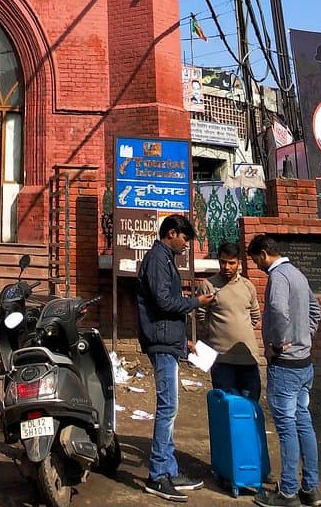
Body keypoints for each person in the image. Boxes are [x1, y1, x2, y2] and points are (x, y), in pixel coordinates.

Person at [136, 214, 216, 503]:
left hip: (168, 341)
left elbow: (163, 309)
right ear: (172, 233)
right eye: (184, 239)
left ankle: (169, 469)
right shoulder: (158, 258)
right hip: (160, 344)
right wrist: (196, 302)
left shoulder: (166, 259)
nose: (186, 245)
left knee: (171, 408)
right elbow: (164, 302)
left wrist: (184, 341)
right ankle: (157, 475)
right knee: (168, 407)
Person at [246, 234, 321, 507]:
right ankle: (310, 489)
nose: (257, 266)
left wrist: (276, 344)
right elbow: (315, 309)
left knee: (287, 428)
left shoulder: (278, 276)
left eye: (256, 260)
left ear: (264, 254)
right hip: (304, 363)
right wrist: (305, 336)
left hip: (286, 366)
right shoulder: (298, 274)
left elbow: (278, 309)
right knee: (304, 424)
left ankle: (288, 492)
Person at [197, 241, 262, 400]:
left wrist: (239, 330)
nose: (227, 267)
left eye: (231, 263)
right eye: (223, 262)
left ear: (238, 263)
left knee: (251, 407)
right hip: (222, 361)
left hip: (248, 359)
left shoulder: (247, 286)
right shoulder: (208, 286)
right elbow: (200, 316)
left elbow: (255, 316)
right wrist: (217, 333)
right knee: (226, 407)